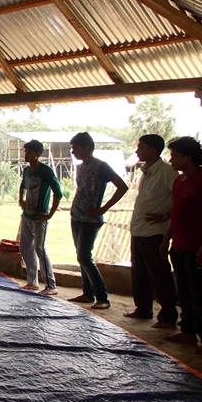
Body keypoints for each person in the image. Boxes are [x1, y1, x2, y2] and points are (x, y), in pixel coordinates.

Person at [161, 137, 202, 355]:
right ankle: (188, 331)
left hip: (199, 247)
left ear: (187, 157)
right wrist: (167, 238)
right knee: (184, 292)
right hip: (179, 246)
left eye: (175, 156)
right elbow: (176, 213)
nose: (171, 160)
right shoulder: (179, 181)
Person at [67, 132, 128, 310]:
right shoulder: (80, 167)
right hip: (76, 217)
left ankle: (102, 298)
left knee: (84, 256)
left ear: (87, 147)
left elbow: (122, 186)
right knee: (81, 256)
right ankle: (87, 294)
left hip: (91, 219)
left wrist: (103, 208)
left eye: (75, 148)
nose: (72, 151)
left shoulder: (101, 166)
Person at [126, 134, 179, 328]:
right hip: (139, 229)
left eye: (141, 147)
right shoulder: (146, 171)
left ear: (153, 150)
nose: (137, 151)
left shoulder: (167, 172)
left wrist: (166, 216)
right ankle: (143, 308)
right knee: (139, 271)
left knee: (159, 274)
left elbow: (180, 198)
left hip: (155, 232)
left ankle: (168, 315)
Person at [17, 139, 61, 293]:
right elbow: (22, 185)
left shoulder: (46, 171)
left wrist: (50, 214)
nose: (26, 155)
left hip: (39, 217)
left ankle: (51, 285)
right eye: (25, 152)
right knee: (25, 248)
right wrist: (21, 199)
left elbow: (58, 193)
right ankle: (32, 282)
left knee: (39, 248)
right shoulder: (27, 171)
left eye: (29, 152)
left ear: (38, 154)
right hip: (27, 216)